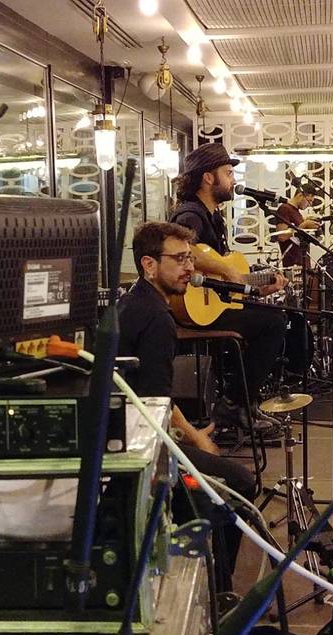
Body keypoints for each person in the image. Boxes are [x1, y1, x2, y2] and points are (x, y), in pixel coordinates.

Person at [117, 220, 256, 590]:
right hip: (140, 445)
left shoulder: (133, 302)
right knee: (239, 483)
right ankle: (218, 591)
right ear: (149, 265)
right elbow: (156, 402)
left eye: (190, 258)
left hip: (130, 431)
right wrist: (195, 438)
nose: (190, 268)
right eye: (179, 259)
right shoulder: (157, 318)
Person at [169, 142, 288, 432]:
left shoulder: (213, 217)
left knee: (271, 314)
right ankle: (234, 404)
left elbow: (224, 280)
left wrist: (255, 288)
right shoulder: (190, 214)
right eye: (227, 172)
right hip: (190, 312)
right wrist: (227, 270)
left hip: (210, 304)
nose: (233, 180)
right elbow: (185, 250)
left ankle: (242, 402)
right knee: (274, 323)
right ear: (208, 178)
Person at [272, 189, 320, 268]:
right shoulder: (284, 209)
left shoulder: (296, 212)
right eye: (309, 201)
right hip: (293, 264)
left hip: (303, 262)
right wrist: (304, 225)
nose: (310, 204)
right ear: (300, 195)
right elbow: (281, 236)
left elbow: (296, 230)